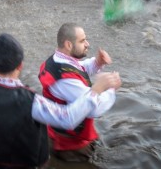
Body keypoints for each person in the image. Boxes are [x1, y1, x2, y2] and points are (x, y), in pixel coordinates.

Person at [0, 33, 122, 168]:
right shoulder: (30, 101)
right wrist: (97, 90)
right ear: (20, 66)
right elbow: (67, 118)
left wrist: (95, 64)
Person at [39, 23, 117, 162]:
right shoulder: (66, 81)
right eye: (82, 41)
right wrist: (110, 88)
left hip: (63, 135)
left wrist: (97, 63)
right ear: (69, 45)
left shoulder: (57, 60)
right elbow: (95, 109)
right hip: (71, 146)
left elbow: (78, 68)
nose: (87, 44)